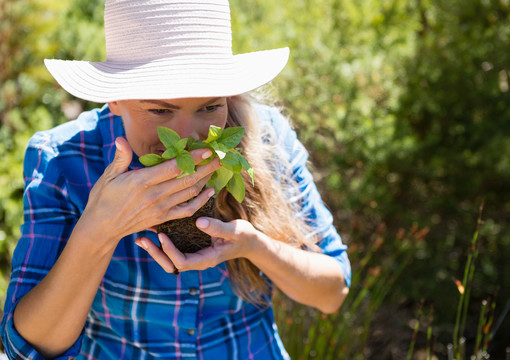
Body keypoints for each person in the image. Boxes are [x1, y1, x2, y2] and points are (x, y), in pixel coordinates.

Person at [1, 0, 351, 359]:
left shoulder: (265, 137)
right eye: (159, 110)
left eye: (209, 107)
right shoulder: (64, 159)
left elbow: (332, 292)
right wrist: (98, 230)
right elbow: (25, 347)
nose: (187, 136)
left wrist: (253, 247)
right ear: (116, 99)